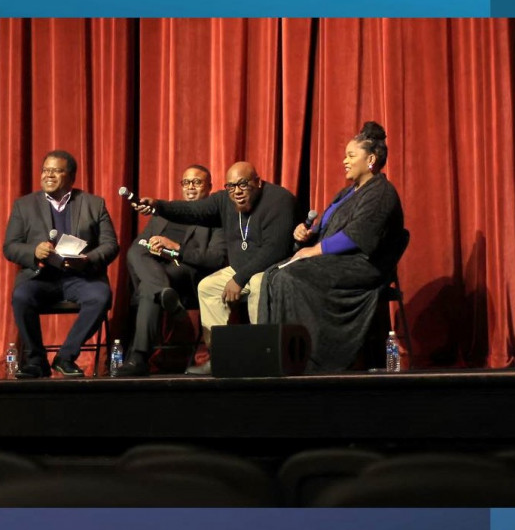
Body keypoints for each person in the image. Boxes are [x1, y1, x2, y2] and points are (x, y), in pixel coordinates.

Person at [262, 121, 405, 372]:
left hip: (363, 264)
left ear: (371, 158)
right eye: (345, 156)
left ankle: (310, 357)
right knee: (272, 274)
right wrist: (307, 235)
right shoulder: (345, 193)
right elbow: (328, 230)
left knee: (290, 276)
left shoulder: (381, 193)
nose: (345, 161)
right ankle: (275, 353)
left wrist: (312, 251)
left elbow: (354, 237)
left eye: (351, 155)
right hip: (337, 261)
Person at [134, 161, 297, 374]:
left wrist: (240, 278)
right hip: (241, 269)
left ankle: (262, 357)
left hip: (272, 269)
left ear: (258, 182)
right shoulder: (224, 200)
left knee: (258, 285)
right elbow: (192, 210)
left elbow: (275, 249)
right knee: (208, 287)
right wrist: (158, 205)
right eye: (231, 186)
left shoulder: (279, 200)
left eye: (243, 184)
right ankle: (219, 357)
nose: (236, 191)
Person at [3, 150, 119, 378]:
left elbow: (110, 244)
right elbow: (10, 246)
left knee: (100, 296)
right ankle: (36, 361)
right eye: (45, 170)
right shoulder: (23, 206)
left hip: (81, 277)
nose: (49, 175)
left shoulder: (93, 204)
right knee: (21, 296)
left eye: (56, 171)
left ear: (71, 176)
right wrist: (34, 251)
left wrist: (88, 260)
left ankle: (65, 357)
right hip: (41, 277)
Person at [116, 165, 227, 377]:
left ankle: (139, 358)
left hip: (187, 273)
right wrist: (153, 246)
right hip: (158, 269)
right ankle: (163, 293)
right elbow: (139, 247)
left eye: (197, 182)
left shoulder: (216, 218)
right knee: (135, 252)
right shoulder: (165, 215)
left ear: (210, 187)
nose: (190, 187)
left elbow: (216, 259)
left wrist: (175, 249)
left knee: (149, 287)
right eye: (186, 182)